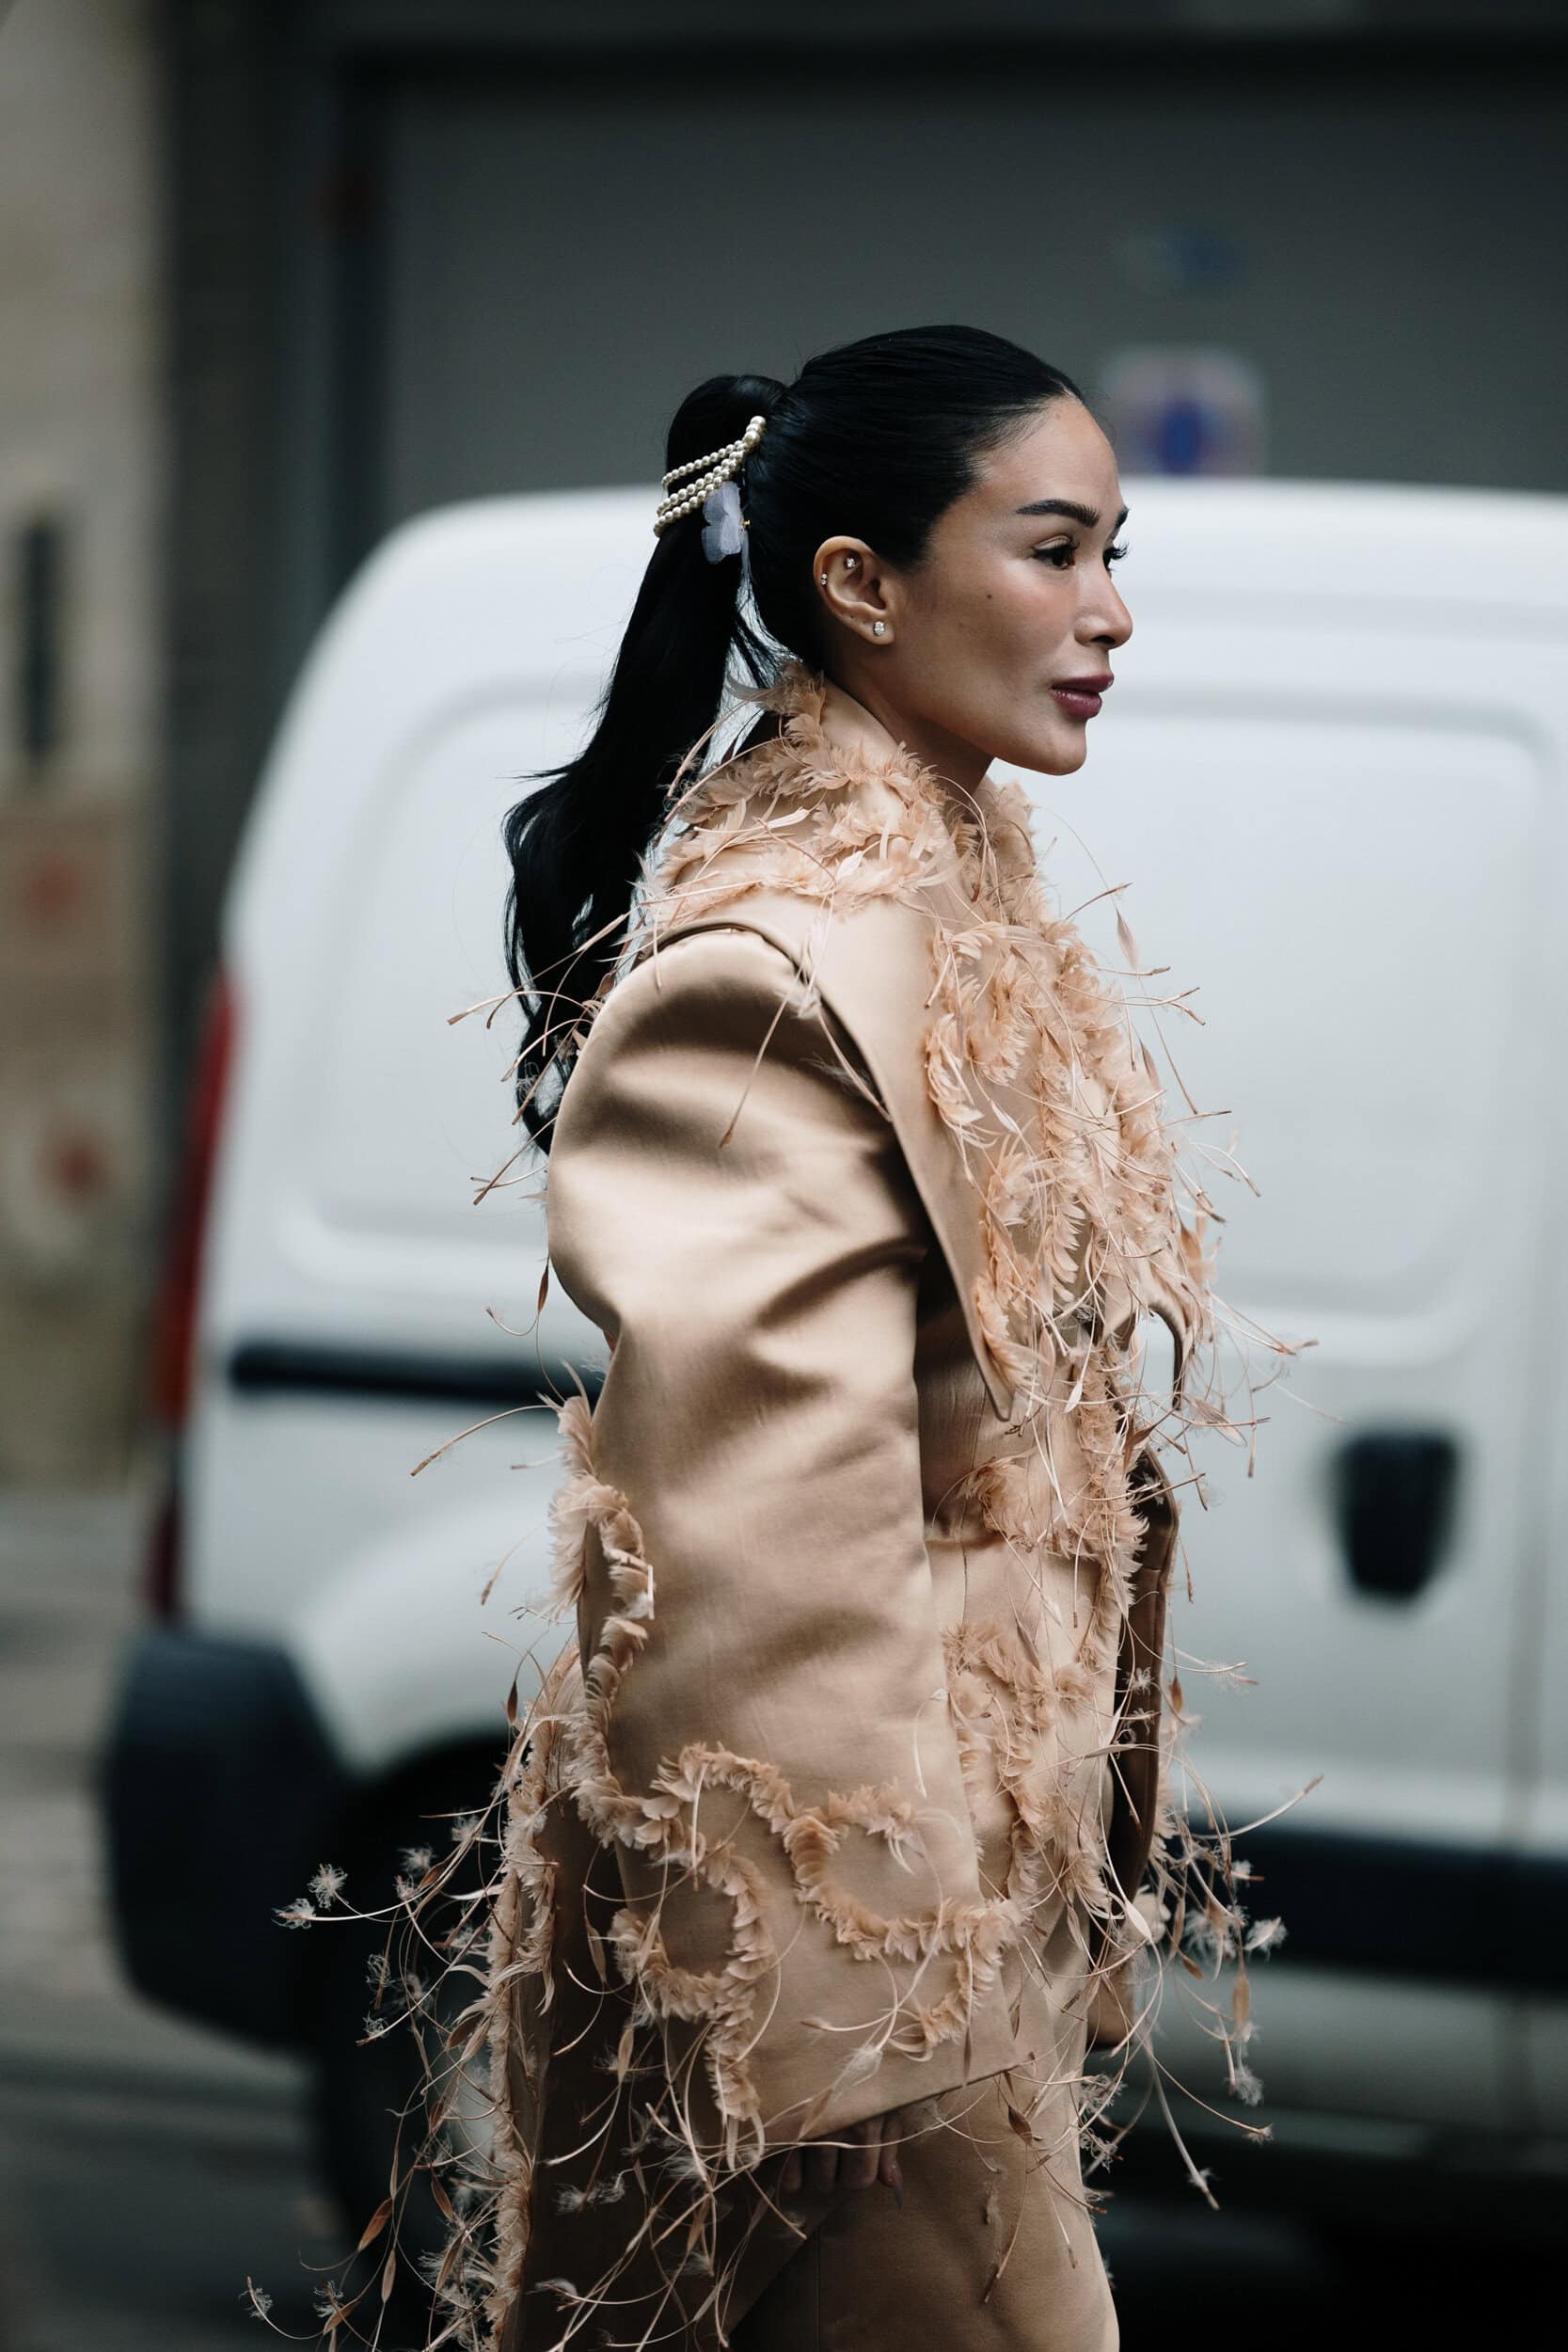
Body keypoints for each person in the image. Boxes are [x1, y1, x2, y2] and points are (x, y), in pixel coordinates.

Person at [420, 325, 1276, 2352]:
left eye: (1115, 550)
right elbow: (746, 1528)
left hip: (954, 1925)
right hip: (854, 1988)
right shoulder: (784, 955)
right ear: (860, 586)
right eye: (1056, 549)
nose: (1111, 610)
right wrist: (839, 2033)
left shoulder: (951, 886)